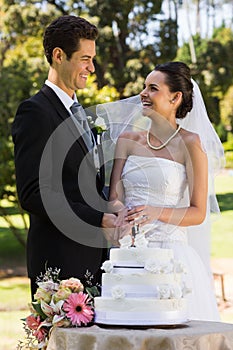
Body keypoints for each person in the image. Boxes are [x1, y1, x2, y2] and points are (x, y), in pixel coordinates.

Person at [106, 61, 225, 321]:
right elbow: (114, 198)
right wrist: (122, 214)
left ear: (175, 97)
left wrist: (155, 212)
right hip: (130, 253)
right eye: (144, 87)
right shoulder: (127, 140)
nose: (143, 94)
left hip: (172, 257)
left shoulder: (190, 144)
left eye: (153, 88)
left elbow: (198, 212)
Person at [12, 15, 117, 299]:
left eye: (92, 59)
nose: (91, 68)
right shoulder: (35, 112)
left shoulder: (80, 112)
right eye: (85, 59)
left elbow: (83, 183)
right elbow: (34, 193)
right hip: (59, 263)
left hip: (94, 260)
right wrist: (99, 218)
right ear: (59, 56)